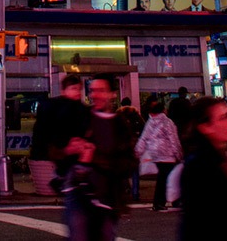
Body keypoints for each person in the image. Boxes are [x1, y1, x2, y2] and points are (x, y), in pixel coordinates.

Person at [61, 76, 136, 241]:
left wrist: (94, 157)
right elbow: (60, 150)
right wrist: (69, 149)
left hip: (108, 195)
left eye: (101, 91)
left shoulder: (120, 125)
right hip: (79, 192)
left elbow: (129, 163)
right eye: (92, 91)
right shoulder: (82, 118)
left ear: (112, 94)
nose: (95, 95)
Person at [179, 97, 227, 240]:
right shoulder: (200, 167)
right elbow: (200, 223)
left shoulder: (217, 159)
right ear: (205, 127)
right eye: (224, 117)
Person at [32, 74, 92, 188]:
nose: (77, 92)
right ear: (64, 91)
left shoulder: (82, 110)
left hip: (73, 154)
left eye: (79, 89)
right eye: (74, 88)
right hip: (63, 152)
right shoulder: (54, 108)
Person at [135, 97, 183, 212]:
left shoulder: (150, 122)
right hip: (167, 153)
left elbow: (144, 138)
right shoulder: (167, 122)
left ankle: (162, 201)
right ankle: (166, 201)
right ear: (163, 110)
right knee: (170, 178)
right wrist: (179, 154)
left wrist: (137, 152)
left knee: (164, 177)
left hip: (155, 154)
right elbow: (173, 139)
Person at [118, 98, 145, 201]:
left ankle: (126, 188)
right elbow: (143, 127)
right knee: (135, 169)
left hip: (122, 145)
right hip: (134, 144)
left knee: (122, 168)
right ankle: (135, 193)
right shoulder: (136, 115)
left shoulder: (119, 115)